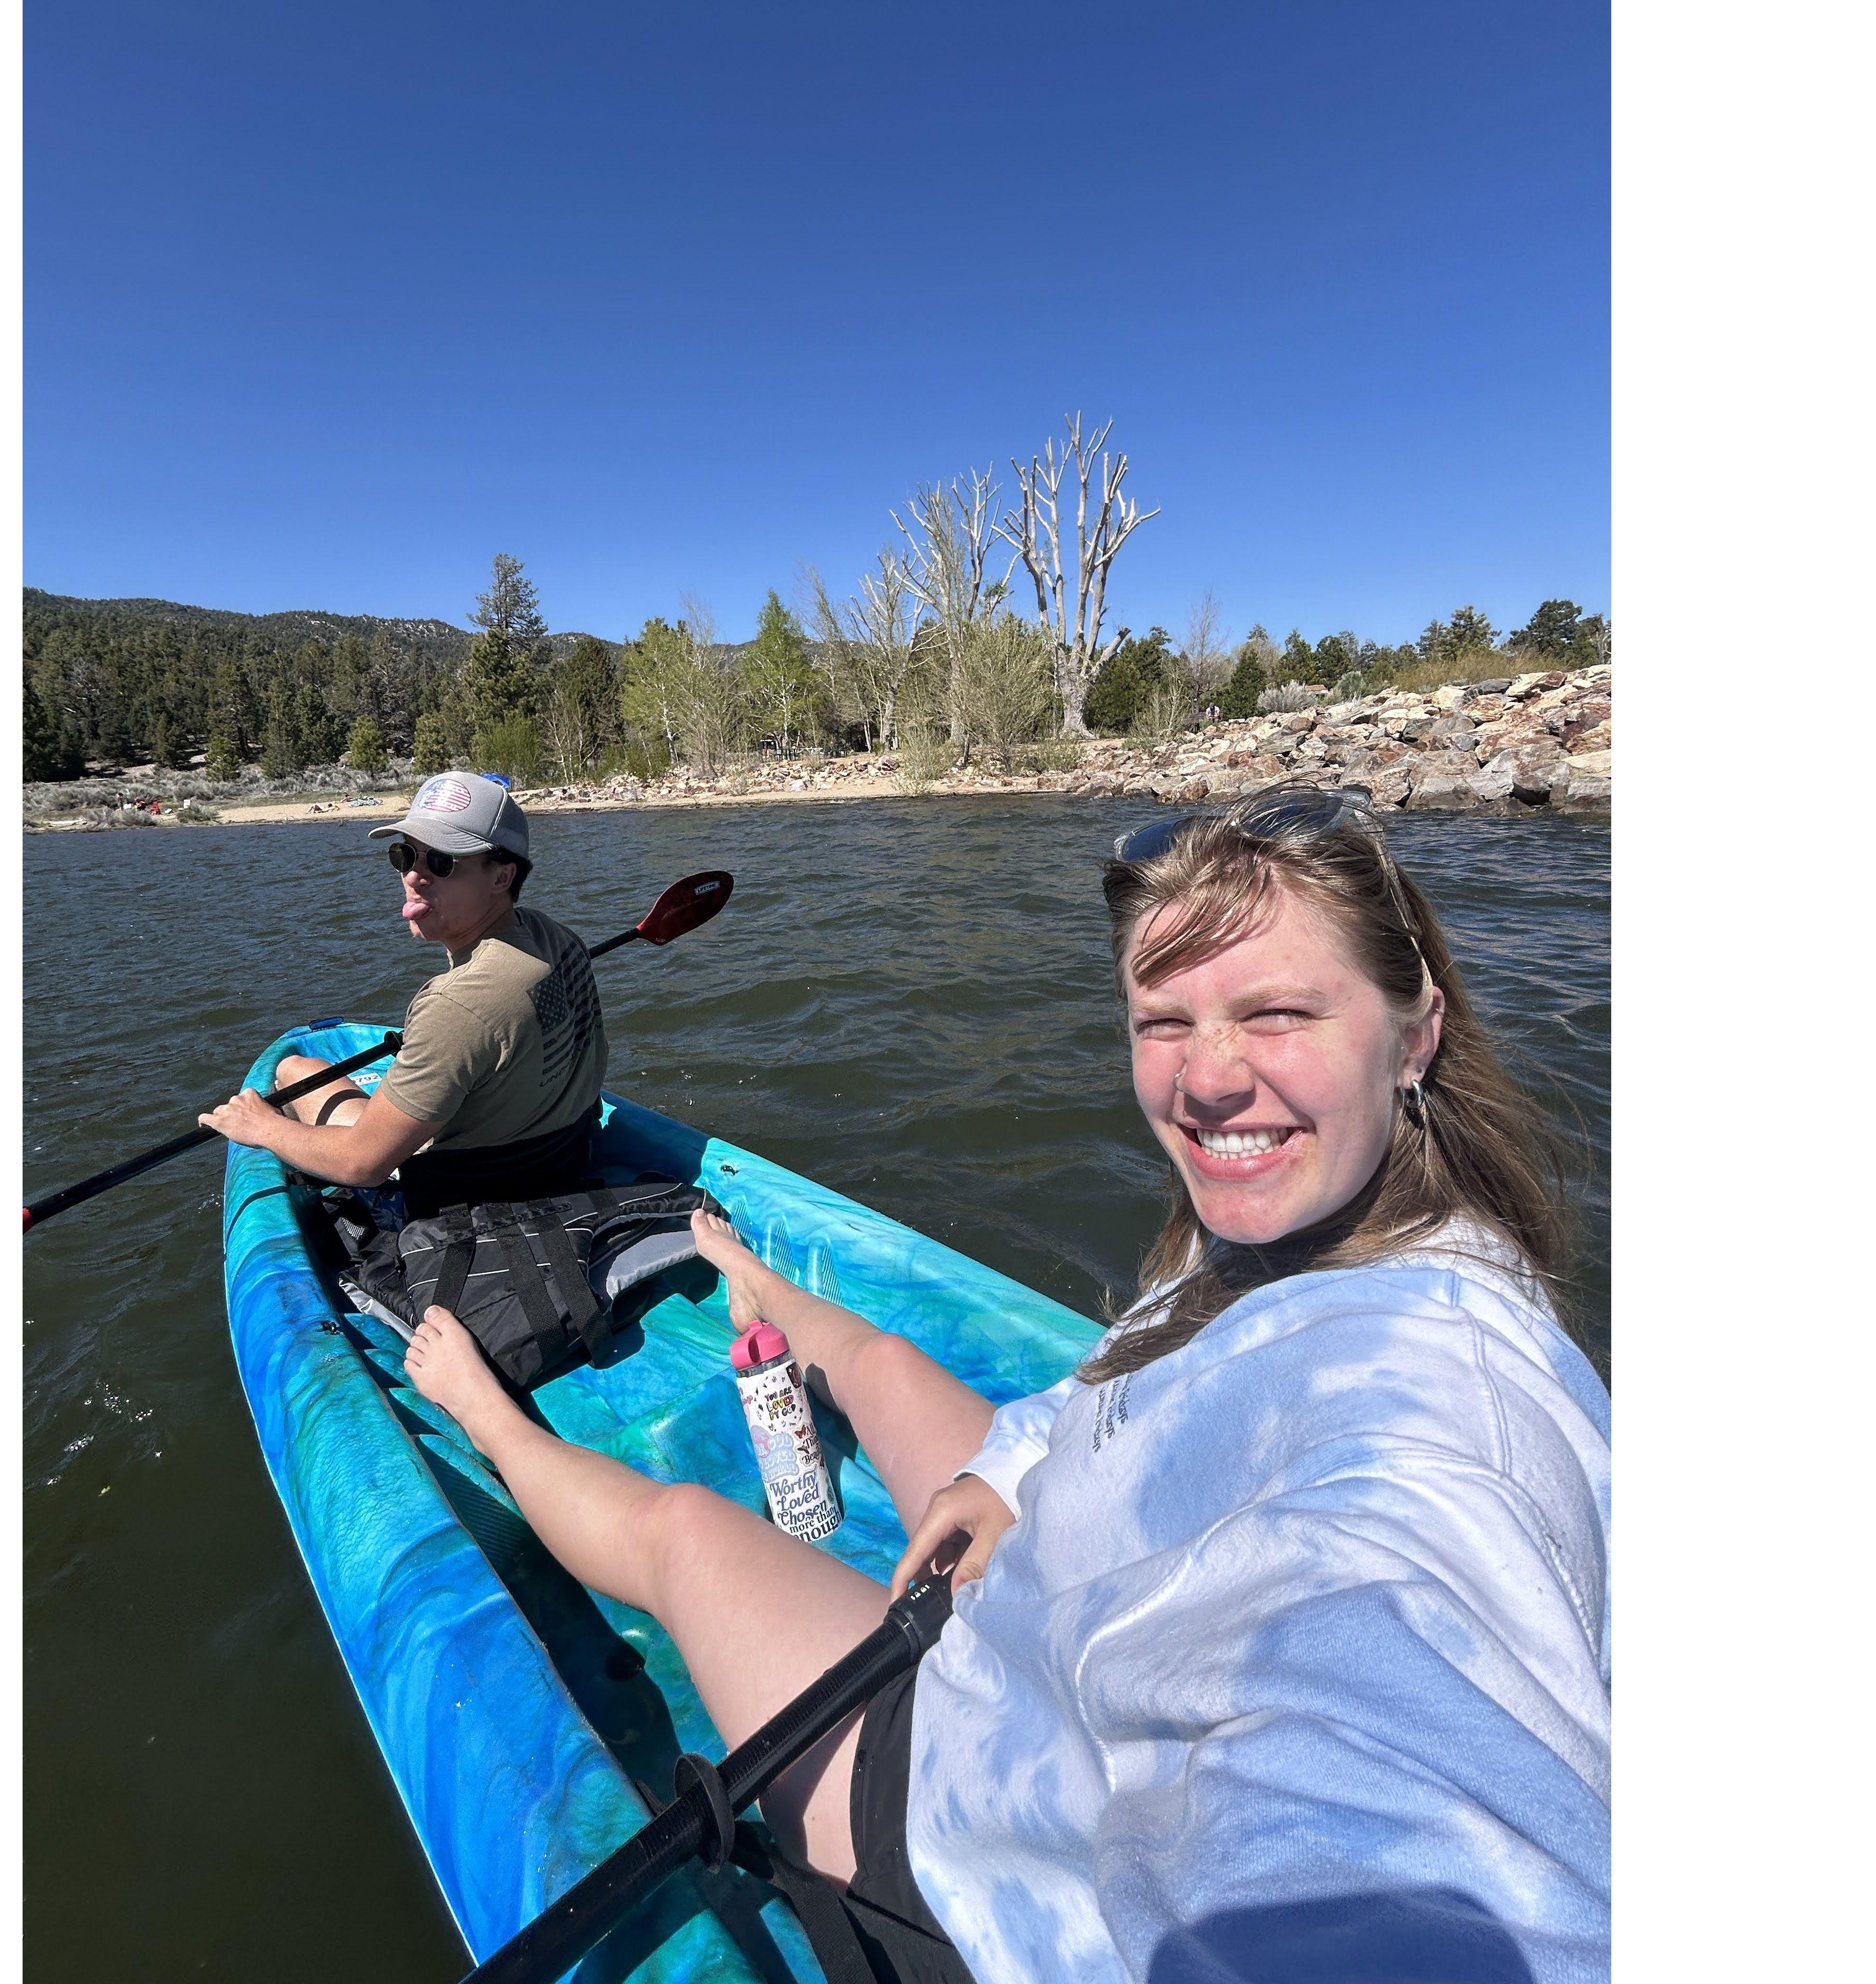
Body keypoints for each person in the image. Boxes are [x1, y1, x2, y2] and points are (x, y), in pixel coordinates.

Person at [400, 782, 1610, 1983]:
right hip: (1073, 1593)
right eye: (1163, 1022)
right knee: (882, 1365)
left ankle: (476, 1404)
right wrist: (1009, 1465)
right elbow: (1123, 1397)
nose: (1208, 1080)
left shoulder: (1435, 1469)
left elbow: (1419, 1818)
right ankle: (755, 1283)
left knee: (683, 1535)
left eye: (1278, 1012)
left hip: (988, 1836)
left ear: (1418, 1032)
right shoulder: (1309, 1225)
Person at [199, 771, 607, 1215]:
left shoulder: (457, 1006)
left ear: (501, 876)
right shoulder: (557, 937)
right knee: (304, 1070)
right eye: (405, 855)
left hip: (470, 1201)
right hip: (563, 1158)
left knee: (294, 1069)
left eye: (442, 863)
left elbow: (363, 1164)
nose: (414, 876)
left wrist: (261, 1128)